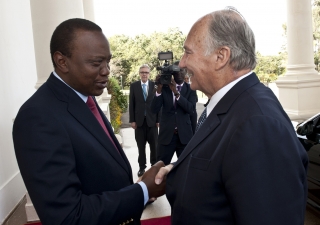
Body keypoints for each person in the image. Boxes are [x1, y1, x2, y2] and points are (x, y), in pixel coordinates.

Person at [155, 7, 308, 225]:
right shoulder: (231, 105)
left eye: (188, 52)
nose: (181, 63)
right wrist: (177, 172)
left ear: (221, 57)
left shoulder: (258, 124)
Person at [12, 18, 166, 225]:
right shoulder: (37, 117)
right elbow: (67, 216)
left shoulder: (85, 97)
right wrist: (143, 191)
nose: (106, 71)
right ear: (62, 62)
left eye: (108, 61)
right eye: (96, 63)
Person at [151, 61, 197, 165]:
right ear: (172, 73)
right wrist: (158, 90)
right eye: (176, 71)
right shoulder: (165, 89)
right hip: (167, 136)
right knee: (160, 166)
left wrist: (176, 93)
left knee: (185, 168)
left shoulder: (190, 89)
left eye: (181, 71)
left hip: (184, 136)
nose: (179, 73)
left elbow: (191, 109)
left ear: (185, 72)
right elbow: (154, 109)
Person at [129, 64, 160, 177]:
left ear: (149, 74)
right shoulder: (134, 86)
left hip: (152, 122)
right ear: (139, 73)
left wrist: (158, 119)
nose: (144, 74)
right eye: (142, 72)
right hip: (139, 123)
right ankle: (142, 167)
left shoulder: (155, 86)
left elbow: (158, 103)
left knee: (154, 147)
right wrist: (132, 120)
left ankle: (154, 167)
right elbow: (131, 104)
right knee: (141, 147)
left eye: (146, 72)